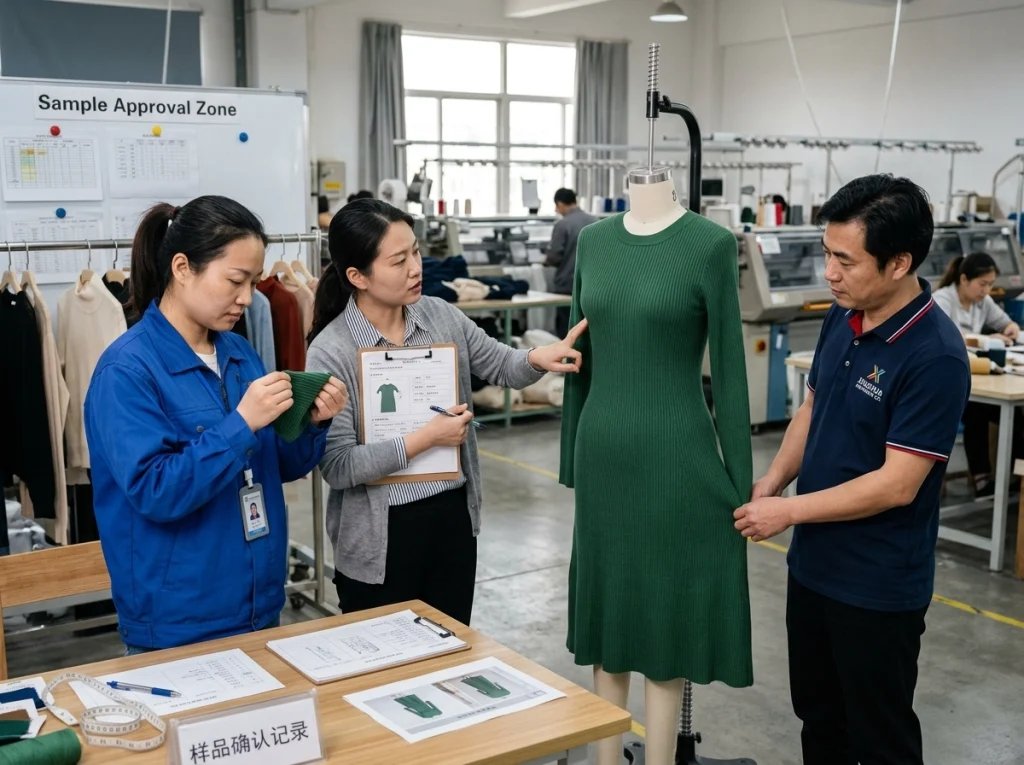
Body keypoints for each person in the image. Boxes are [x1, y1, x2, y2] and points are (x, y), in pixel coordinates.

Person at [733, 175, 970, 765]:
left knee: (880, 736)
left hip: (876, 585)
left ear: (899, 263)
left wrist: (784, 512)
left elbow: (897, 483)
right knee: (820, 720)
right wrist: (773, 482)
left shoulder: (934, 355)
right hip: (813, 567)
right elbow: (811, 409)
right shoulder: (846, 314)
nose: (830, 273)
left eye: (845, 259)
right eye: (826, 254)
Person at [84, 196, 348, 654]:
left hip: (259, 606)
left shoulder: (239, 354)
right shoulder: (127, 371)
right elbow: (155, 490)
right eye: (235, 281)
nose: (247, 298)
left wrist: (310, 424)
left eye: (252, 282)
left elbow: (275, 464)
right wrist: (241, 423)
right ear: (183, 267)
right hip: (179, 622)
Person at [306, 198, 588, 626]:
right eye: (398, 260)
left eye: (416, 252)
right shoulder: (332, 350)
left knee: (450, 658)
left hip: (451, 520)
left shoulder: (439, 316)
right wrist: (426, 439)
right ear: (356, 276)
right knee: (382, 674)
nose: (416, 268)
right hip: (380, 538)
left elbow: (500, 364)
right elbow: (339, 466)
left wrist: (537, 358)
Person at [934, 252, 1023, 494]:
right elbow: (946, 339)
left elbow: (1005, 323)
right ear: (964, 279)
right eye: (982, 284)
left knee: (1015, 417)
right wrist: (986, 339)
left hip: (975, 378)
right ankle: (982, 477)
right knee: (975, 412)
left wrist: (1011, 328)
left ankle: (1015, 477)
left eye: (991, 285)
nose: (986, 290)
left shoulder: (983, 302)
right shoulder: (942, 300)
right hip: (945, 384)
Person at [545, 188, 596, 338]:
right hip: (590, 283)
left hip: (567, 286)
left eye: (556, 206)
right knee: (586, 329)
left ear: (561, 204)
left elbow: (554, 256)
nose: (556, 210)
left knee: (566, 331)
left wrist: (545, 260)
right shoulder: (594, 221)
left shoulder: (563, 224)